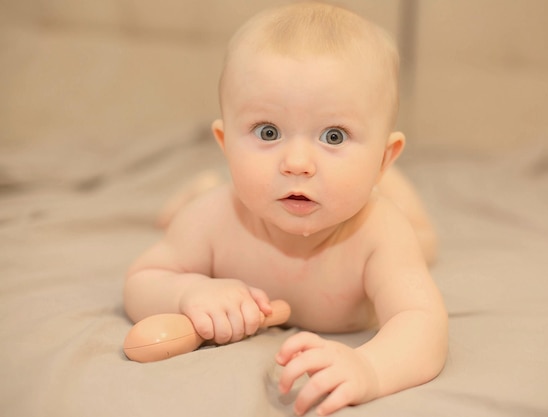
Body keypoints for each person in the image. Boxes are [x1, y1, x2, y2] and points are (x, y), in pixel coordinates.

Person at [124, 2, 447, 416]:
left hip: (384, 205)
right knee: (204, 200)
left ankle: (391, 185)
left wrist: (371, 366)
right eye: (268, 131)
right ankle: (201, 184)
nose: (297, 162)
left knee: (425, 241)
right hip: (225, 194)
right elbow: (142, 280)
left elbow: (422, 322)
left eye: (333, 136)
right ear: (225, 145)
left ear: (384, 157)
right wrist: (189, 291)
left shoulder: (380, 234)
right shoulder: (212, 219)